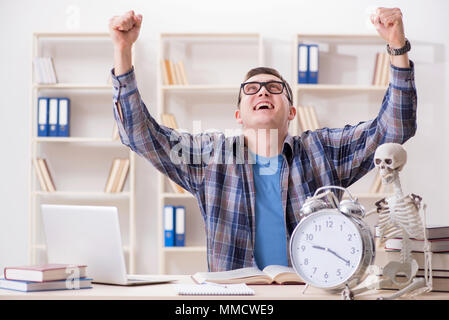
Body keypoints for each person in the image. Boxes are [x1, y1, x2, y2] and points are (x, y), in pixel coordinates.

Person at [108, 8, 416, 272]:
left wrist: (397, 47)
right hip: (237, 299)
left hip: (309, 293)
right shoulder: (211, 156)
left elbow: (393, 130)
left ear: (292, 111)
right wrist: (123, 49)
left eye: (273, 87)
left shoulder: (322, 150)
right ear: (238, 115)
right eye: (251, 90)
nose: (263, 92)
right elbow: (141, 135)